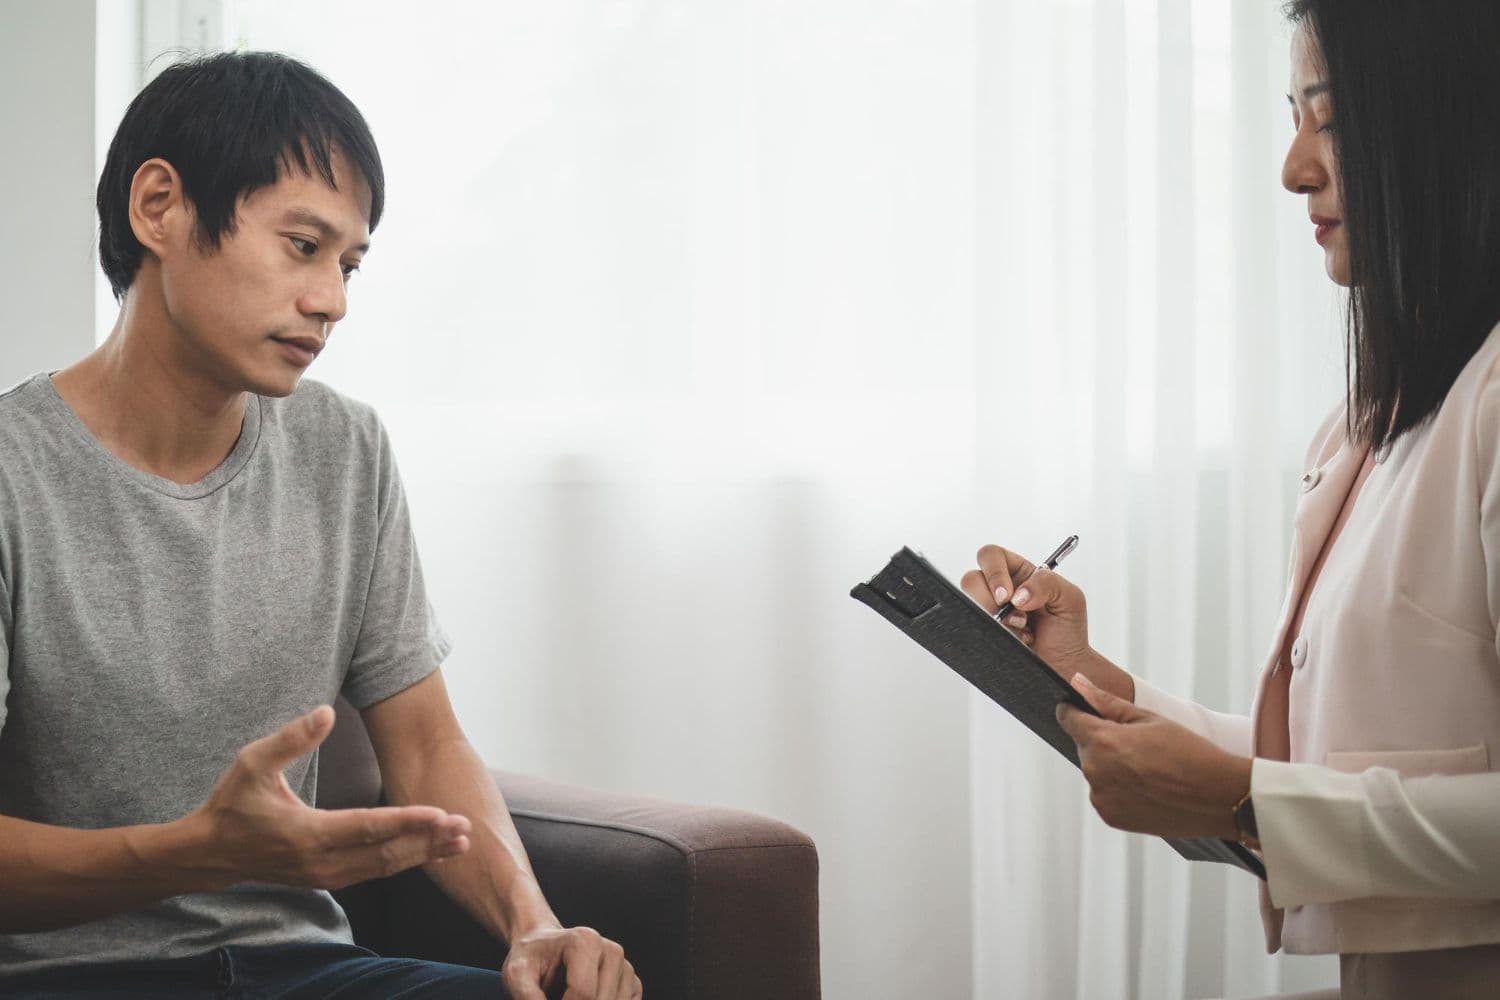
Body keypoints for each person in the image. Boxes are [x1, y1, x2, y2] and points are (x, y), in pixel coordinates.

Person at [0, 52, 641, 999]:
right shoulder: (14, 473)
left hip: (309, 969)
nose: (331, 301)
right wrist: (197, 852)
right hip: (72, 978)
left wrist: (532, 923)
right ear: (159, 208)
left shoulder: (345, 447)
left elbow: (424, 747)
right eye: (302, 246)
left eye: (348, 265)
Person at [962, 1, 1500, 997]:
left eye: (1331, 120)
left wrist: (1249, 804)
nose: (1294, 169)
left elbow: (1284, 796)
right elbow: (1331, 768)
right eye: (1293, 119)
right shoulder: (1369, 426)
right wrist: (1092, 681)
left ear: (1450, 122)